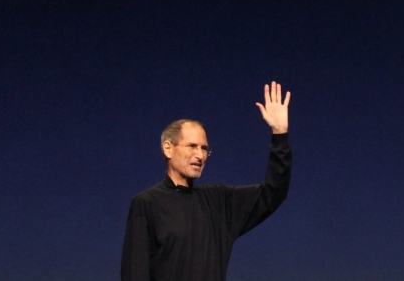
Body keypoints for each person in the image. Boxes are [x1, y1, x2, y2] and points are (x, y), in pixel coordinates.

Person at [121, 81, 292, 281]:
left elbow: (273, 193)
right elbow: (135, 272)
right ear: (168, 148)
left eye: (204, 149)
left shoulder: (219, 202)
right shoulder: (147, 203)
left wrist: (280, 135)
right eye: (192, 146)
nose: (200, 155)